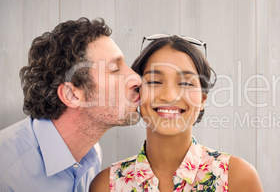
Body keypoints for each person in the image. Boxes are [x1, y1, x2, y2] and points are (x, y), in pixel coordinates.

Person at [90, 35, 263, 191]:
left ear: (202, 99)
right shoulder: (107, 185)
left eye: (186, 84)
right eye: (155, 81)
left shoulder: (237, 178)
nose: (170, 96)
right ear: (137, 93)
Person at [0, 17, 142, 191]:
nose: (136, 78)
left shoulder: (92, 154)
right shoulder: (6, 173)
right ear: (72, 95)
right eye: (114, 69)